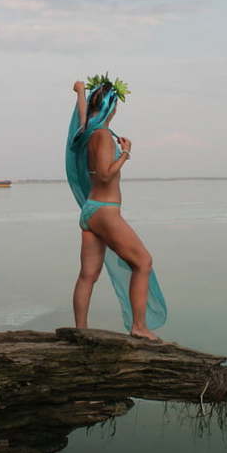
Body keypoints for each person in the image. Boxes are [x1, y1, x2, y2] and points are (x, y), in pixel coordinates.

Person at [65, 76, 167, 341]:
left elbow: (82, 117)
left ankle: (80, 331)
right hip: (105, 211)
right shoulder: (101, 136)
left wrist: (80, 92)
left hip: (91, 212)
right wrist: (125, 154)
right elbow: (104, 175)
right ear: (110, 107)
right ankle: (139, 326)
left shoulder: (88, 133)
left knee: (88, 275)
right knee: (143, 262)